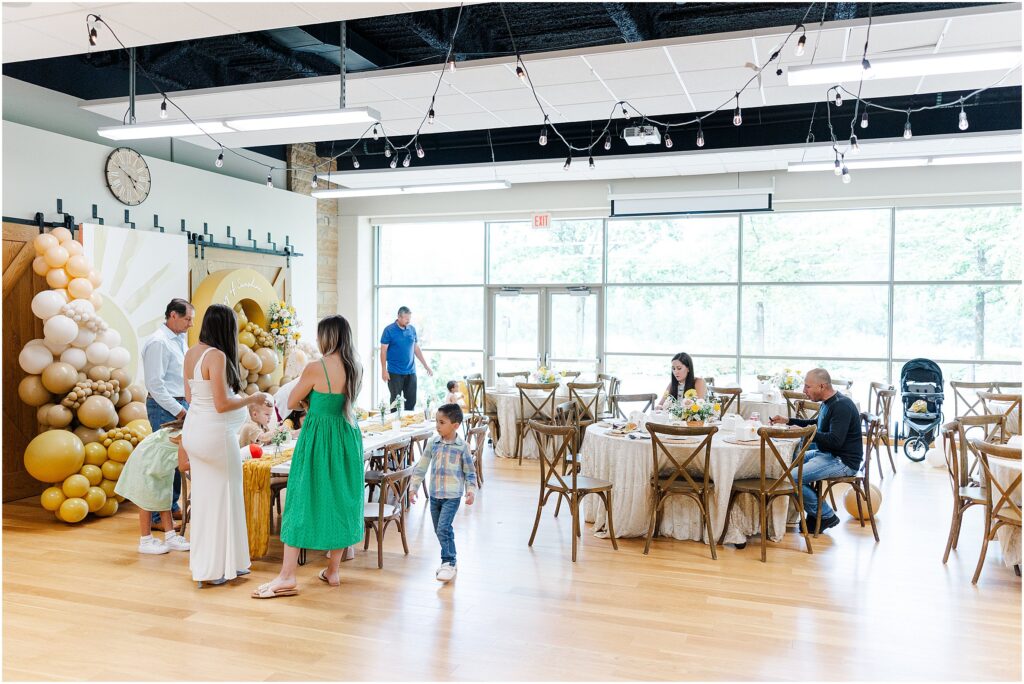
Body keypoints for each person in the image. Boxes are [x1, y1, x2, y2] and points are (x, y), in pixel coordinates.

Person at [253, 315, 364, 599]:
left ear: (327, 337)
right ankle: (333, 570)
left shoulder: (317, 367)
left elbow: (290, 402)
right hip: (346, 435)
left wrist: (309, 403)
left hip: (318, 437)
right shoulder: (356, 367)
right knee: (340, 499)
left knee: (301, 499)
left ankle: (287, 576)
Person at [181, 304, 270, 586]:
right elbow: (221, 404)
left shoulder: (191, 353)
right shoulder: (217, 356)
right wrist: (252, 399)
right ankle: (218, 567)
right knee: (225, 498)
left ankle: (222, 563)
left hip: (195, 432)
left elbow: (192, 397)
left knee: (208, 499)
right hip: (215, 437)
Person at [770, 367, 863, 532]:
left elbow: (835, 440)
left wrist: (803, 433)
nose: (804, 391)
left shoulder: (841, 406)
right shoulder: (828, 402)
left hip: (842, 460)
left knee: (791, 477)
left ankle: (825, 515)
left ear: (822, 386)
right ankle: (809, 512)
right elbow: (815, 426)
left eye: (807, 386)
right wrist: (789, 421)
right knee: (787, 461)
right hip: (827, 454)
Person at [408, 403, 477, 583]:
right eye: (436, 422)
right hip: (435, 495)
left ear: (455, 425)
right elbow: (421, 467)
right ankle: (450, 559)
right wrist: (413, 487)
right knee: (440, 530)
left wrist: (471, 491)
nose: (437, 426)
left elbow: (470, 471)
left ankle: (448, 562)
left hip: (452, 496)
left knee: (443, 528)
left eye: (442, 422)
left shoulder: (462, 447)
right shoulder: (433, 443)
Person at [141, 298, 193, 529]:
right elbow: (155, 385)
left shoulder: (180, 340)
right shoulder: (158, 343)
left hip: (181, 403)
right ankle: (155, 518)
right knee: (163, 462)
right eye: (187, 319)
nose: (191, 324)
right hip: (165, 407)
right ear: (173, 315)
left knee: (178, 459)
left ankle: (171, 506)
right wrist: (180, 410)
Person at [114, 418, 191, 555]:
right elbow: (183, 465)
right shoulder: (185, 436)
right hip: (146, 463)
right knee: (146, 501)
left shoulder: (190, 432)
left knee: (164, 498)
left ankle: (170, 536)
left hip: (160, 465)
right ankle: (145, 540)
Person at [380, 306, 433, 411]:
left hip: (411, 371)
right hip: (394, 372)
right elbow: (383, 351)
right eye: (406, 318)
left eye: (409, 318)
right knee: (395, 403)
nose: (408, 320)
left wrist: (426, 366)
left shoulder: (412, 329)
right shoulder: (389, 330)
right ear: (399, 317)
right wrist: (383, 370)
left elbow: (416, 348)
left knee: (411, 401)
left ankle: (409, 426)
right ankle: (394, 425)